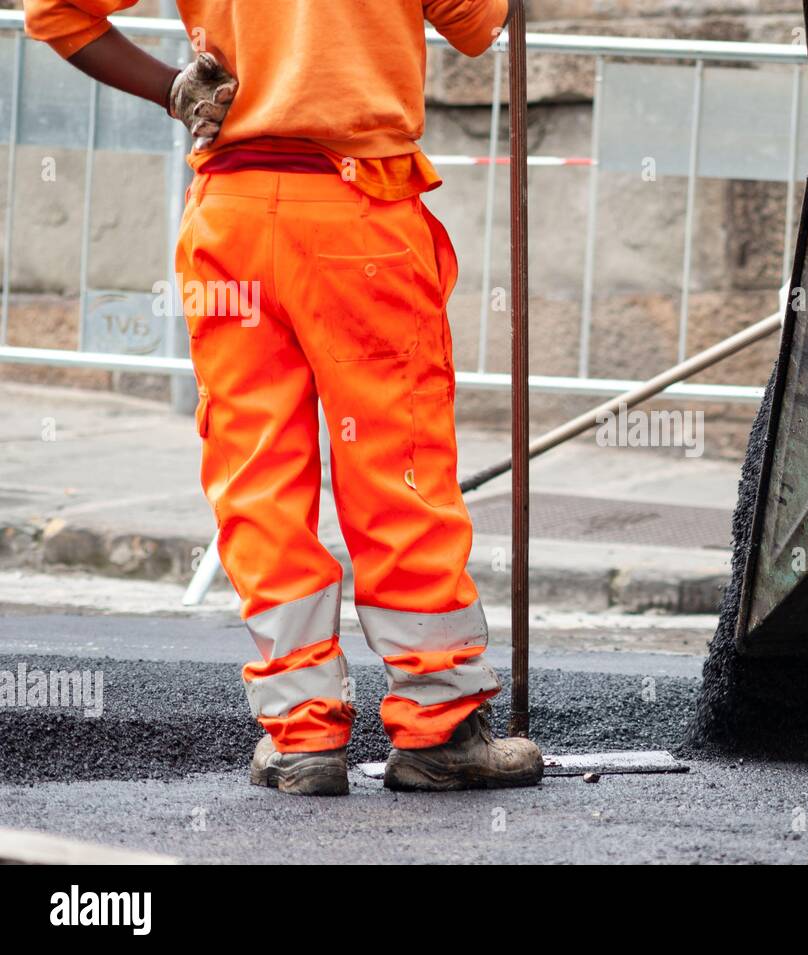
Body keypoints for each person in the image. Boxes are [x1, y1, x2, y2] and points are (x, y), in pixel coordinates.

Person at [23, 0, 544, 796]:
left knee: (258, 477)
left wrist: (173, 90)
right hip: (356, 217)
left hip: (232, 219)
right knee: (395, 472)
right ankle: (439, 724)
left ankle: (301, 734)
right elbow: (479, 25)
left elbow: (55, 12)